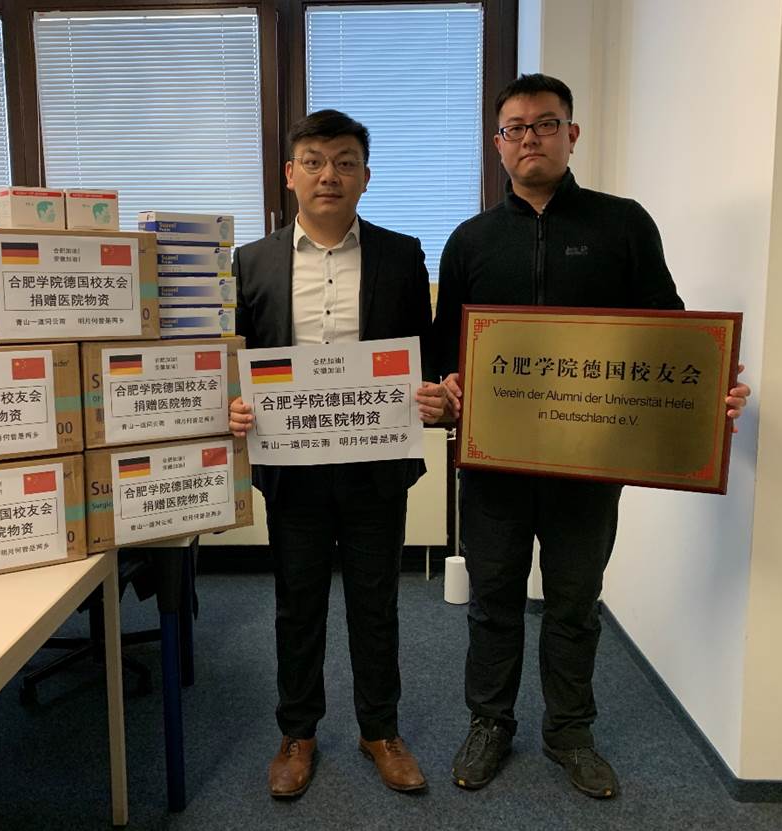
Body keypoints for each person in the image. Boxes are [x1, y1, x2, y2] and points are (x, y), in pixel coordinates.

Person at [431, 74, 752, 799]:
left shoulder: (623, 224)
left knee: (575, 601)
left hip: (590, 460)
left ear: (571, 135)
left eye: (545, 124)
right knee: (493, 599)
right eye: (515, 128)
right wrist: (446, 388)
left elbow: (669, 331)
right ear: (497, 144)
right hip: (494, 465)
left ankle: (570, 732)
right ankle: (489, 722)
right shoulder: (470, 240)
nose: (530, 138)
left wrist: (709, 396)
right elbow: (445, 347)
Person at [228, 109, 448, 798]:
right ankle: (297, 733)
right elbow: (232, 359)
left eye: (345, 161)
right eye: (315, 161)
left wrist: (432, 393)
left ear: (365, 176)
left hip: (375, 464)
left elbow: (425, 354)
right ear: (290, 174)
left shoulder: (401, 255)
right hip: (290, 466)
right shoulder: (251, 261)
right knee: (296, 604)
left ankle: (379, 729)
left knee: (375, 603)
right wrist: (232, 407)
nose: (330, 174)